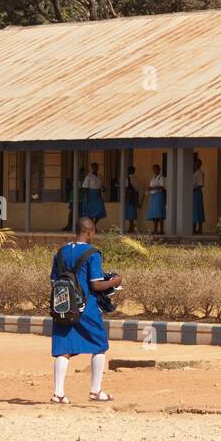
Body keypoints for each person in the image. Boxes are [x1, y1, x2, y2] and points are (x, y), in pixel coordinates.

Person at [50, 216, 122, 404]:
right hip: (86, 307)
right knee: (99, 344)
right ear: (90, 232)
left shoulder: (61, 252)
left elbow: (53, 281)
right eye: (94, 232)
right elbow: (96, 285)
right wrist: (114, 281)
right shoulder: (93, 253)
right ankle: (96, 391)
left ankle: (58, 394)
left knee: (63, 349)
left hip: (63, 307)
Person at [82, 161, 107, 230]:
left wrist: (103, 189)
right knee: (90, 212)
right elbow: (85, 188)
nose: (95, 168)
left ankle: (94, 224)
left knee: (100, 211)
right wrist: (87, 197)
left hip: (98, 195)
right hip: (90, 195)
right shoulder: (88, 176)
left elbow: (102, 185)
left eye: (97, 167)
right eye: (94, 167)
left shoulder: (100, 176)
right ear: (92, 168)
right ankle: (93, 227)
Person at [146, 163, 167, 235]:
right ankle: (155, 229)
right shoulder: (153, 177)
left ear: (159, 169)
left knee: (159, 213)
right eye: (153, 169)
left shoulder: (161, 178)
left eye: (156, 169)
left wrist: (152, 188)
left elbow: (161, 187)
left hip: (159, 196)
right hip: (153, 196)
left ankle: (161, 230)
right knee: (154, 214)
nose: (154, 170)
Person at [191, 156, 206, 235]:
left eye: (195, 163)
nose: (194, 165)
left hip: (197, 193)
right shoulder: (194, 172)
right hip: (192, 193)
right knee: (194, 211)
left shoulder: (199, 173)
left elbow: (201, 184)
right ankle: (194, 228)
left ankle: (199, 229)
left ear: (199, 164)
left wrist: (193, 189)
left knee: (198, 210)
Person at [123, 164, 139, 234]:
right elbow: (137, 188)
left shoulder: (127, 178)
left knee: (130, 212)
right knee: (132, 212)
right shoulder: (136, 179)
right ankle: (132, 226)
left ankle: (131, 227)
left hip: (129, 196)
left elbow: (126, 188)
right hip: (134, 196)